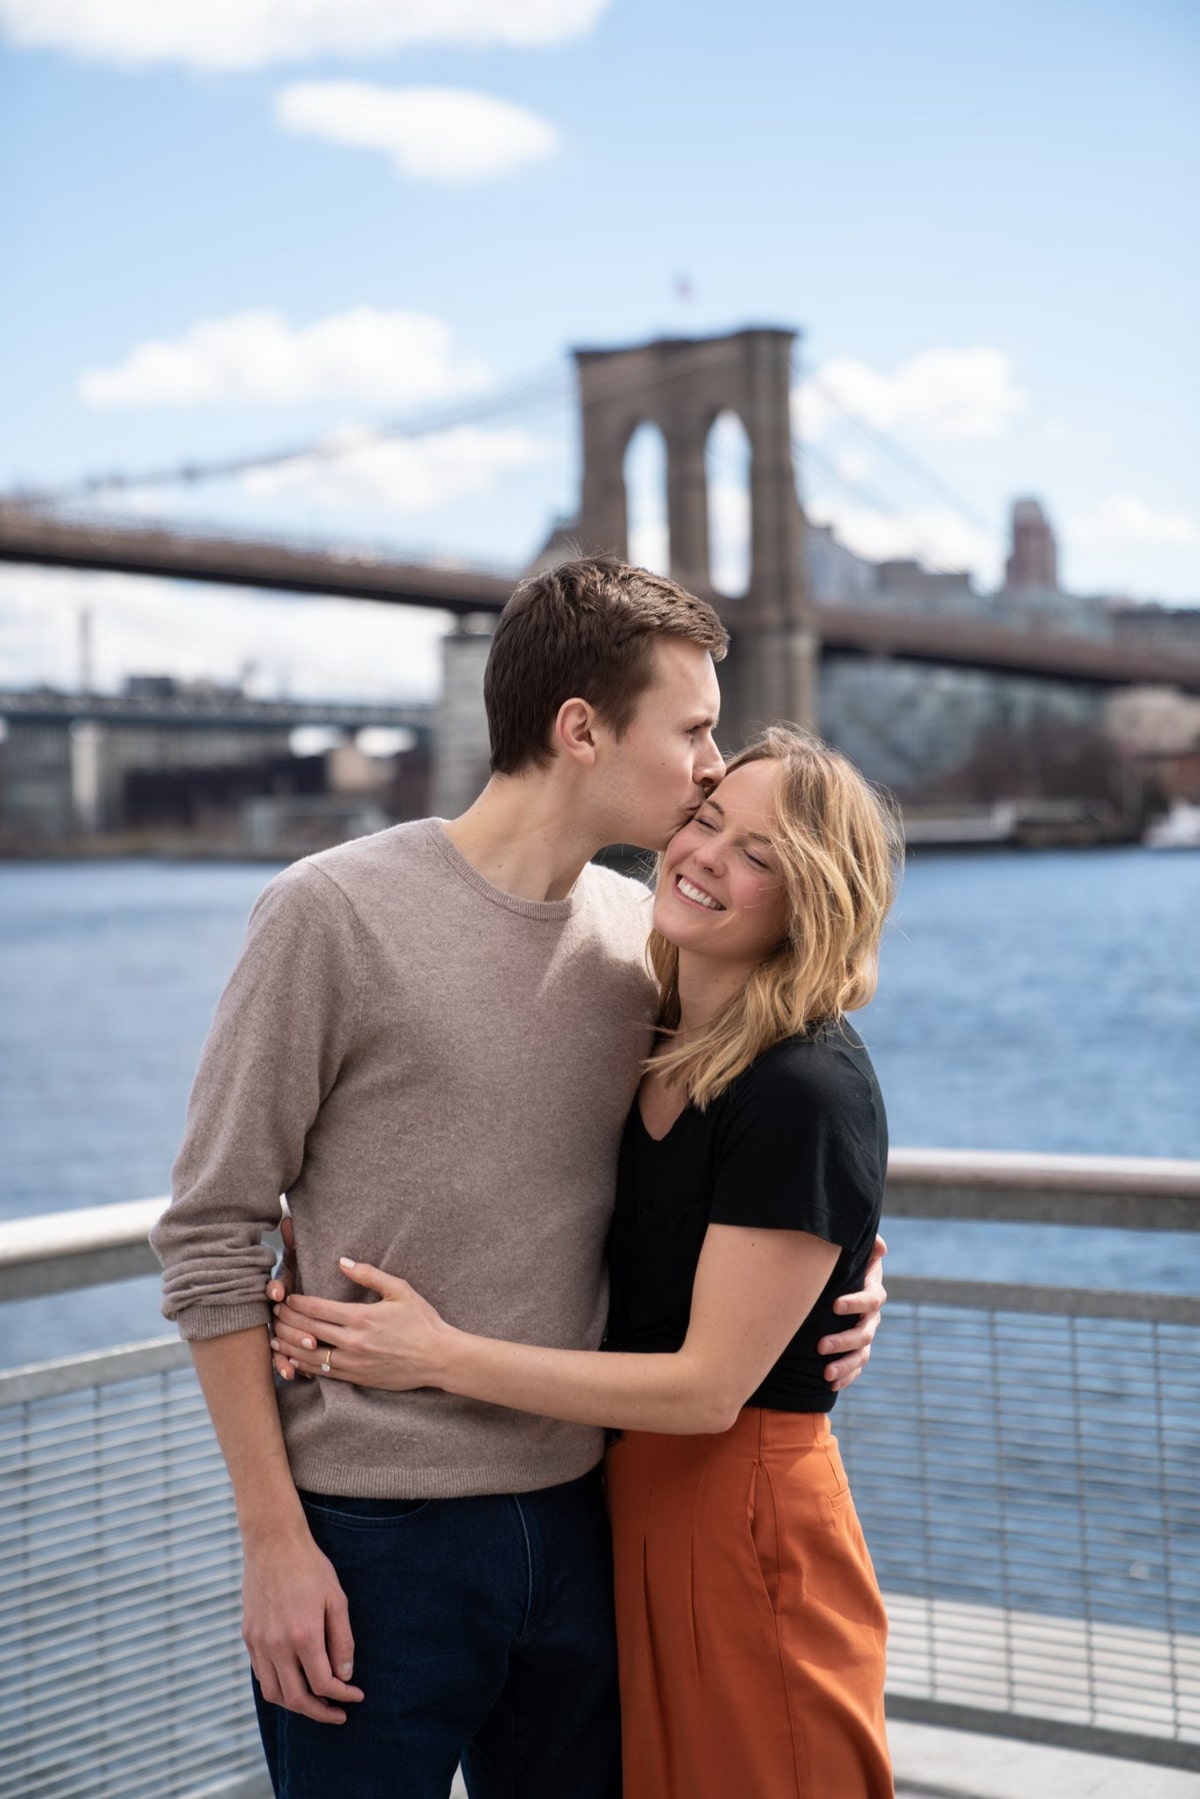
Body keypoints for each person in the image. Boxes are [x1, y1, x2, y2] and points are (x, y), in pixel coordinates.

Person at [150, 557, 886, 1799]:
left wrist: (850, 1280)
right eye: (696, 729)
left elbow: (761, 1141)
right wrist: (274, 1542)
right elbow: (212, 1234)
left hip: (586, 1516)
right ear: (583, 728)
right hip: (373, 1537)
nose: (714, 768)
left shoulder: (638, 939)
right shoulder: (328, 913)